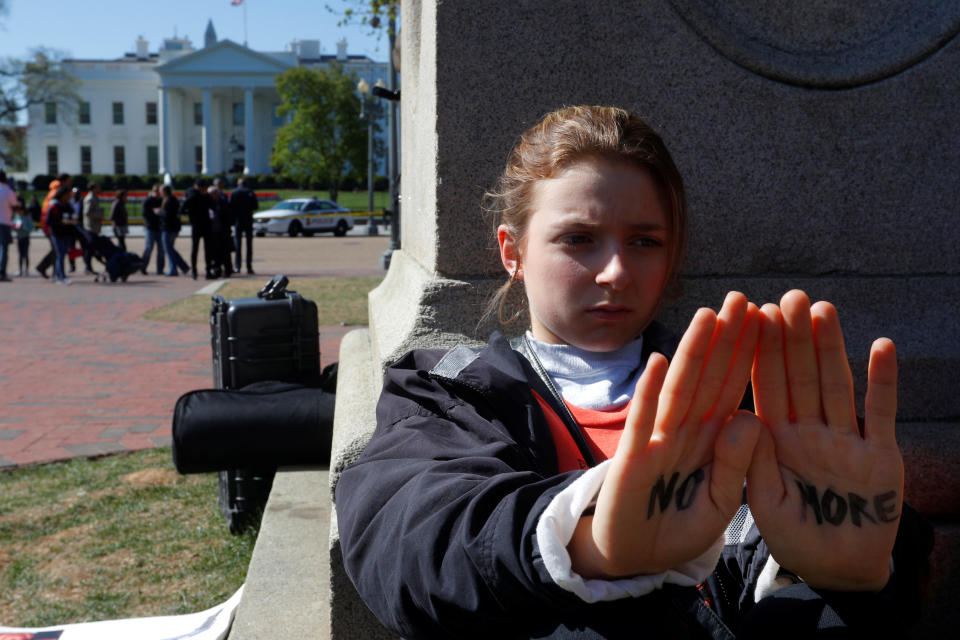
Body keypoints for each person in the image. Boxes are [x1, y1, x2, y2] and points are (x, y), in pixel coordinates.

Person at [335, 106, 930, 639]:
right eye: (579, 239)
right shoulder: (449, 389)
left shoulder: (750, 389)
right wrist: (588, 545)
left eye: (644, 241)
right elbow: (406, 539)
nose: (616, 271)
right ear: (512, 251)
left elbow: (861, 516)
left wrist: (836, 574)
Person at [36, 174, 71, 279]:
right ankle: (56, 273)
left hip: (47, 224)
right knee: (58, 250)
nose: (70, 182)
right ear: (64, 181)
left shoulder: (54, 191)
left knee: (57, 249)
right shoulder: (57, 193)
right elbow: (52, 213)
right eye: (69, 180)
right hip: (52, 226)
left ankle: (48, 269)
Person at [46, 185, 78, 285]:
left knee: (61, 254)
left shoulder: (67, 205)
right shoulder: (54, 205)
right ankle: (61, 277)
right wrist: (61, 222)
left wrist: (72, 220)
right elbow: (48, 221)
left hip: (66, 233)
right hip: (57, 234)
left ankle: (56, 275)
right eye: (68, 194)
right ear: (63, 195)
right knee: (60, 255)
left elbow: (73, 216)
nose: (70, 196)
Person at [181, 179, 211, 280]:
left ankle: (197, 272)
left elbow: (182, 208)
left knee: (197, 249)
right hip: (202, 224)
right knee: (203, 249)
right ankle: (203, 271)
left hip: (198, 224)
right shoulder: (198, 195)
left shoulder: (193, 195)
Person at [158, 184, 188, 277]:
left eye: (160, 191)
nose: (160, 193)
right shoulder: (173, 199)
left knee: (168, 249)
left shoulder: (168, 201)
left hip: (168, 228)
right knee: (170, 248)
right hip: (173, 228)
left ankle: (174, 269)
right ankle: (183, 266)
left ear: (164, 191)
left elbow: (167, 215)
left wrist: (159, 212)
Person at [230, 177, 259, 274]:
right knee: (249, 245)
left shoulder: (234, 192)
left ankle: (237, 266)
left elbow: (230, 207)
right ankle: (249, 267)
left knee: (238, 244)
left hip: (238, 220)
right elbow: (255, 206)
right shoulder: (250, 192)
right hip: (248, 219)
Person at [0, 169, 20, 282]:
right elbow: (15, 206)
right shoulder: (8, 191)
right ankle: (2, 273)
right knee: (3, 248)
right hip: (4, 222)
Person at [140, 183, 165, 275]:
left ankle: (160, 269)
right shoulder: (148, 200)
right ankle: (143, 267)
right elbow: (144, 214)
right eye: (158, 192)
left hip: (160, 228)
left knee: (161, 250)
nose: (159, 194)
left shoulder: (162, 200)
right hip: (151, 227)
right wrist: (155, 213)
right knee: (149, 248)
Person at [12, 200, 34, 276]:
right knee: (20, 255)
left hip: (26, 237)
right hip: (19, 237)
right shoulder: (16, 217)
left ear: (23, 211)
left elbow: (32, 228)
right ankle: (20, 270)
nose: (19, 212)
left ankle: (26, 270)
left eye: (20, 211)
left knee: (26, 254)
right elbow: (13, 226)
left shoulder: (27, 217)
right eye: (18, 211)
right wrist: (14, 227)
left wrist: (24, 227)